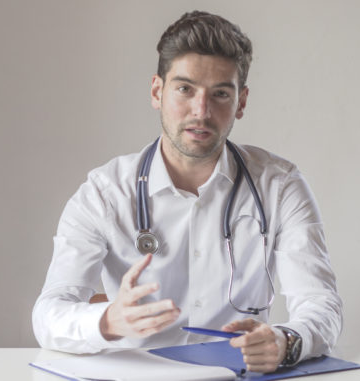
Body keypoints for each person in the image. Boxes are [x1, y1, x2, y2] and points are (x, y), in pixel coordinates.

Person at [32, 10, 342, 373]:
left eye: (220, 94)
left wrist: (285, 341)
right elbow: (49, 313)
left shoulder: (280, 186)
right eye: (185, 89)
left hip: (238, 376)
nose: (201, 110)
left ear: (241, 102)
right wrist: (109, 321)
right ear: (157, 91)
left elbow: (321, 305)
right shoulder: (104, 193)